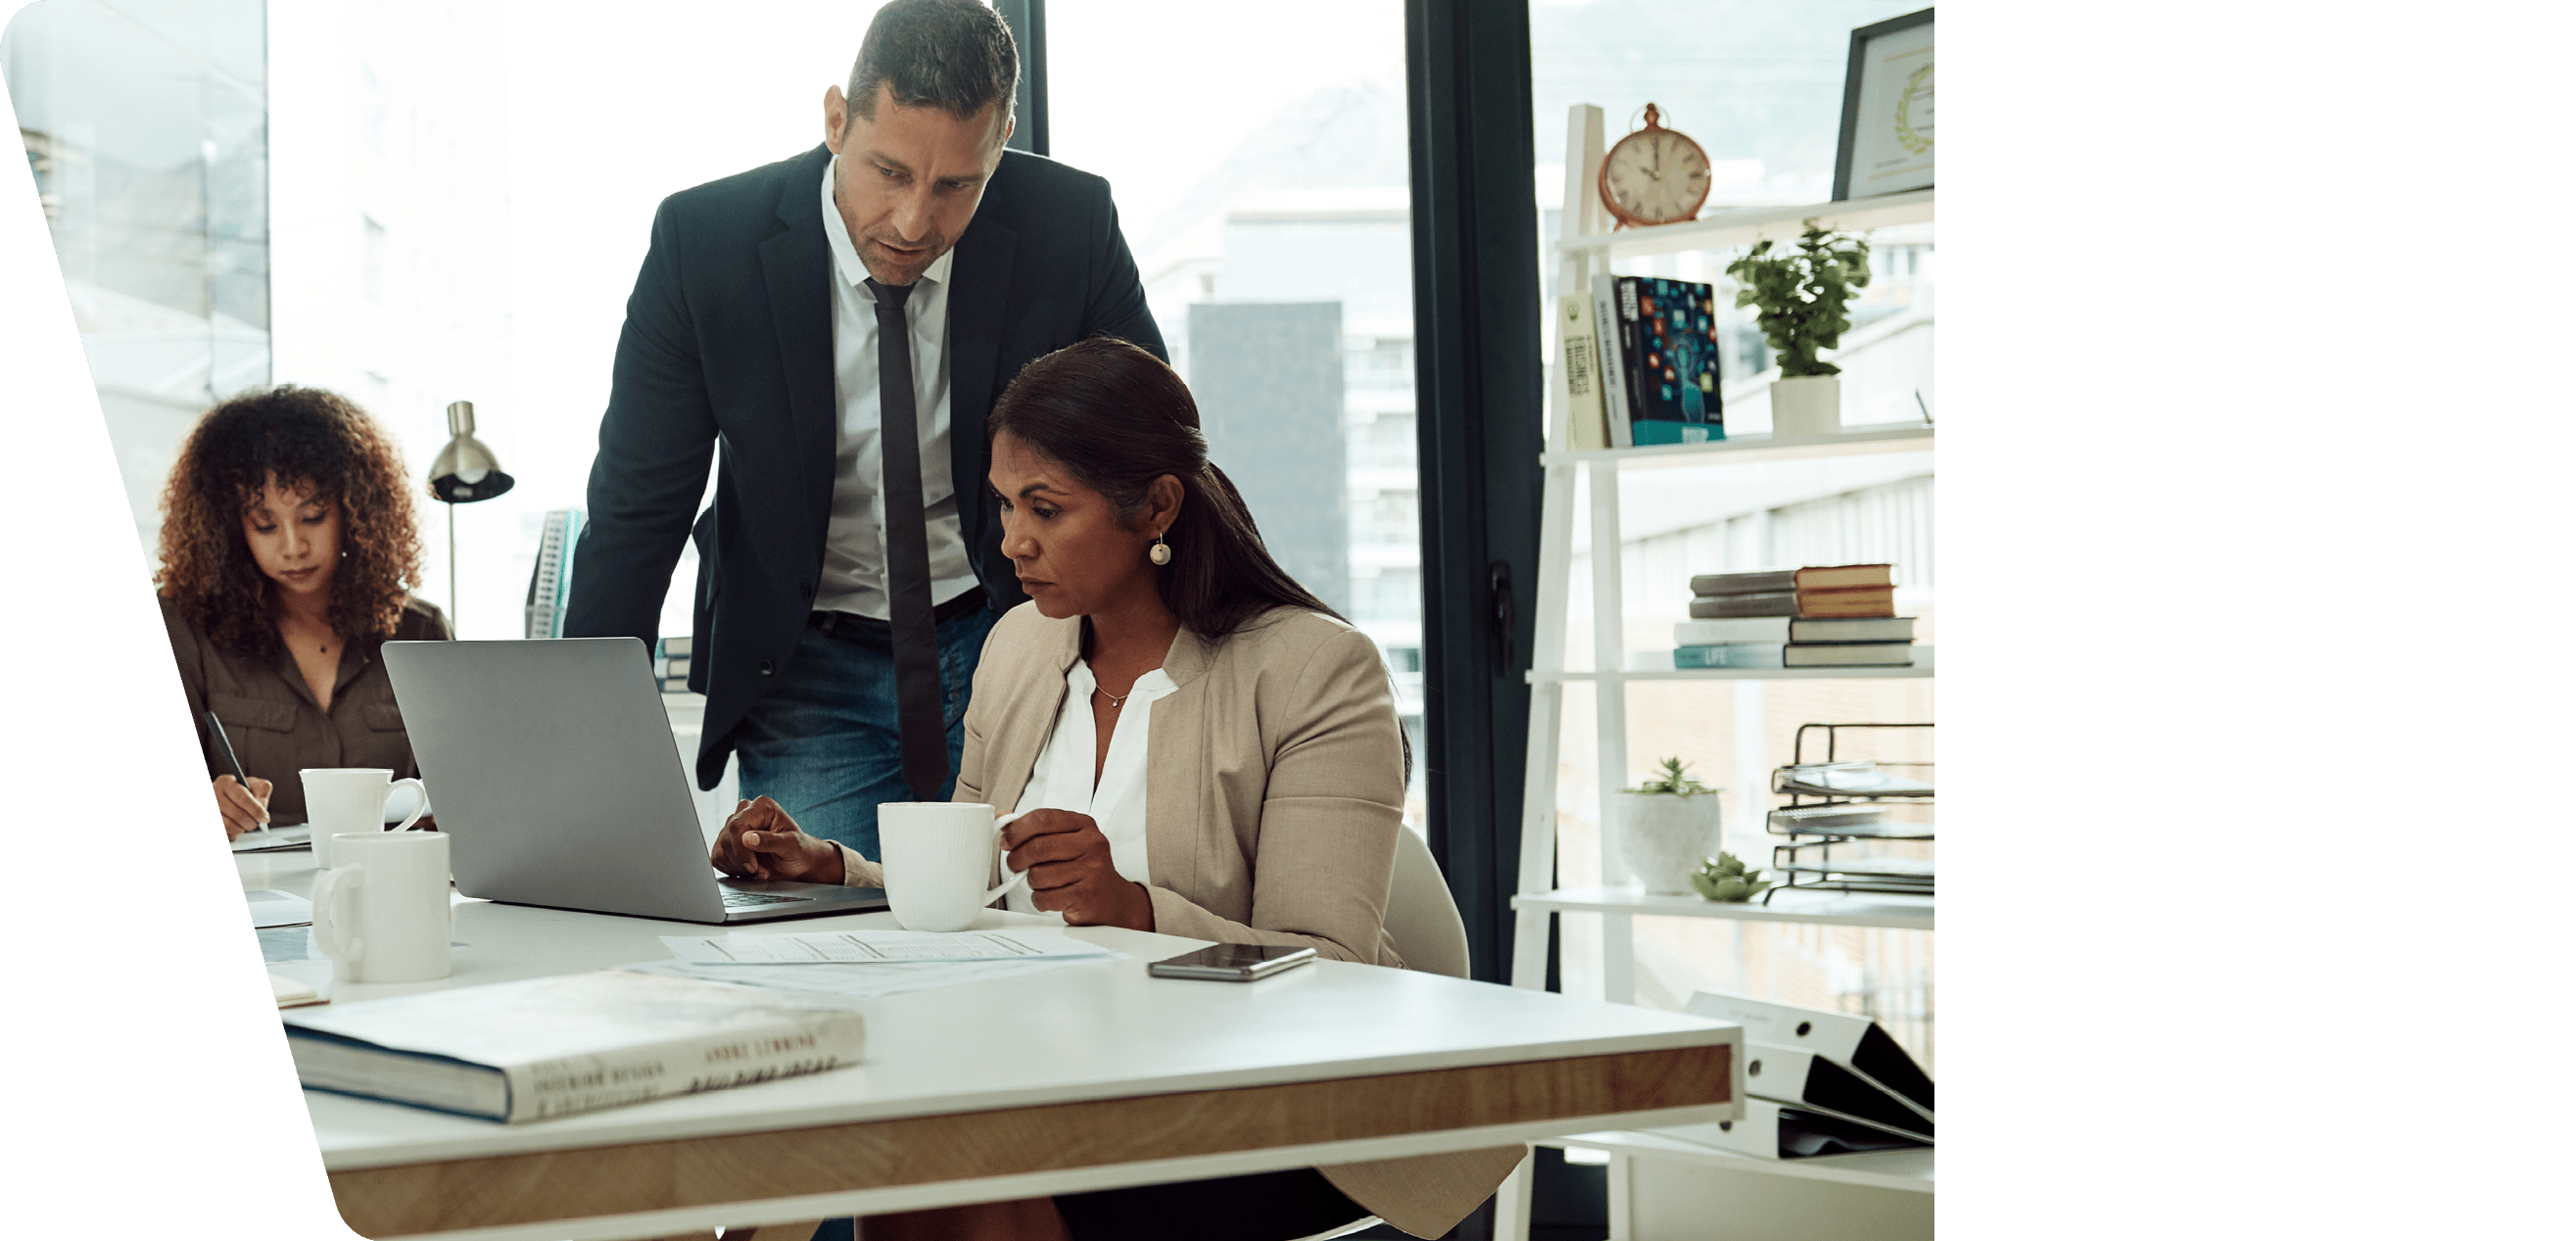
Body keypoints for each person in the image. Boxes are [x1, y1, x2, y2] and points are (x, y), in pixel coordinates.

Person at [708, 338, 1522, 1241]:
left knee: (959, 1163)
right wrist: (834, 869)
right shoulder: (1019, 647)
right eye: (1007, 505)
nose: (1013, 540)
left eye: (1046, 510)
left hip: (1273, 1096)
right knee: (898, 1147)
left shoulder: (1313, 670)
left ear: (1157, 506)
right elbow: (981, 894)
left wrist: (1136, 908)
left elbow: (1334, 967)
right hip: (1048, 1062)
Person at [563, 0, 1163, 865]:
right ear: (837, 119)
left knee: (1036, 931)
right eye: (888, 171)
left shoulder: (1069, 224)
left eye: (957, 185)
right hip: (807, 657)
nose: (915, 222)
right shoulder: (708, 244)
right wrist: (586, 752)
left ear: (998, 150)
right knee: (827, 944)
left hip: (1014, 631)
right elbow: (636, 512)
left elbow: (1152, 453)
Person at [156, 386, 451, 839]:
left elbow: (463, 788)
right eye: (265, 525)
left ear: (356, 511)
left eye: (313, 516)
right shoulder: (182, 626)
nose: (293, 547)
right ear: (230, 526)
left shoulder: (420, 629)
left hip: (385, 886)